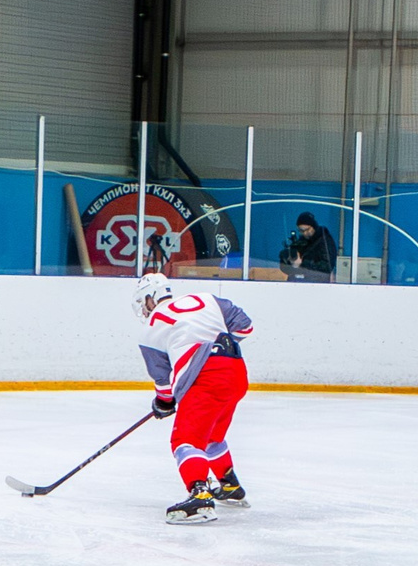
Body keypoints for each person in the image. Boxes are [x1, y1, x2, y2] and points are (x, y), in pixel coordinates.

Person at [134, 271, 253, 525]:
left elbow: (163, 381)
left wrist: (163, 403)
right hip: (236, 372)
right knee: (212, 435)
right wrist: (217, 343)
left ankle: (200, 495)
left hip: (206, 380)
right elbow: (245, 325)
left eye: (144, 302)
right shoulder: (206, 299)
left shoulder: (151, 328)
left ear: (151, 298)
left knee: (185, 440)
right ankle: (229, 485)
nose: (144, 310)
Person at [279, 212, 337, 282]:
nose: (304, 233)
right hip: (299, 282)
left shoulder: (325, 241)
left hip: (317, 284)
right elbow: (287, 269)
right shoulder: (301, 242)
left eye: (307, 230)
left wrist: (302, 264)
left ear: (313, 227)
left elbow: (327, 266)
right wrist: (286, 259)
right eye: (301, 231)